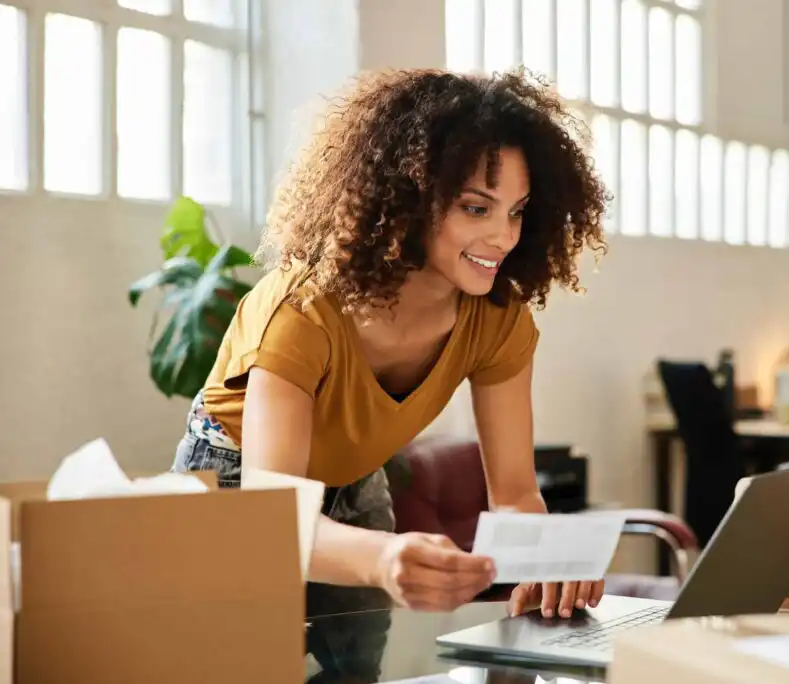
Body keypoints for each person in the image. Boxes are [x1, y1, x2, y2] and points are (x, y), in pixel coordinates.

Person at [171, 67, 609, 621]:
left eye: (517, 211)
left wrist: (553, 562)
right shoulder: (302, 312)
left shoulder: (498, 319)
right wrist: (382, 560)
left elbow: (517, 494)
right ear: (409, 198)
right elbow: (273, 511)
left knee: (356, 672)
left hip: (352, 483)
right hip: (238, 487)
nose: (503, 236)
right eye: (477, 207)